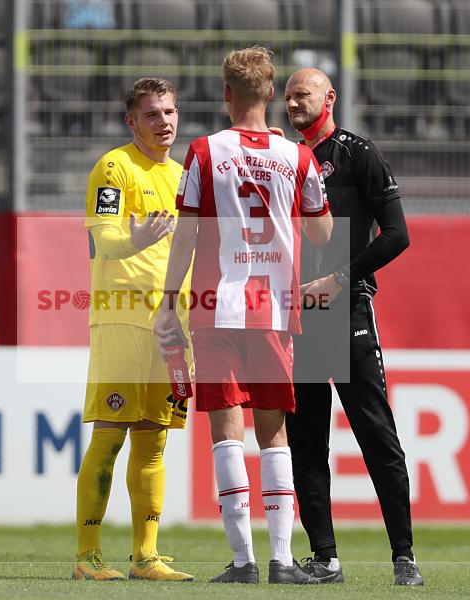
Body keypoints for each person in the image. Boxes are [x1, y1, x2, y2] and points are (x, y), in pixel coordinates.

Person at [155, 47, 333, 585]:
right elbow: (323, 233)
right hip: (274, 309)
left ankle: (242, 561)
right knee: (274, 435)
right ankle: (282, 559)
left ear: (227, 94)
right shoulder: (296, 157)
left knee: (225, 431)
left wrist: (168, 301)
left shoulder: (204, 151)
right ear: (271, 93)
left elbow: (186, 233)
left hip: (217, 307)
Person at [281, 67, 423, 586]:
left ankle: (404, 558)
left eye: (303, 94)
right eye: (287, 96)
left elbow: (397, 234)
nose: (293, 103)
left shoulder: (358, 154)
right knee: (306, 441)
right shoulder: (283, 159)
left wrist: (339, 279)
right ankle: (325, 559)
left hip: (346, 312)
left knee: (375, 434)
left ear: (329, 98)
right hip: (298, 316)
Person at [74, 77, 193, 582]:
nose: (163, 122)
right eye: (151, 114)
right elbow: (103, 239)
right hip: (122, 316)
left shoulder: (183, 176)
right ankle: (87, 556)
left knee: (154, 439)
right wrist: (133, 241)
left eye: (169, 112)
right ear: (131, 121)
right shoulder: (114, 168)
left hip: (171, 324)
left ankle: (146, 558)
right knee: (110, 434)